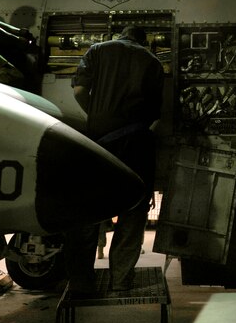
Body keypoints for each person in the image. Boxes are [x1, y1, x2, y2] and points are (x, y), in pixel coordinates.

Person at [64, 26, 165, 293]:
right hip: (137, 146)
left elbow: (78, 91)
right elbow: (156, 113)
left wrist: (95, 115)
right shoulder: (153, 62)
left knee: (88, 213)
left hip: (100, 142)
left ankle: (81, 283)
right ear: (144, 40)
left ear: (121, 34)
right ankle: (120, 281)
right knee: (132, 216)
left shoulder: (97, 50)